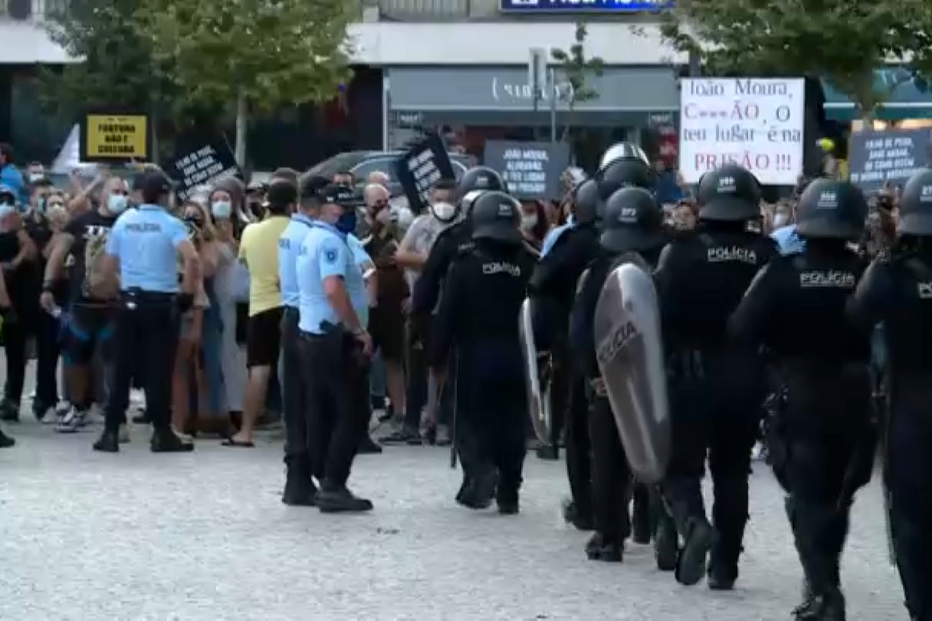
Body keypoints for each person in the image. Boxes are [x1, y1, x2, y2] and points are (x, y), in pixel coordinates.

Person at [730, 179, 872, 621]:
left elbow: (740, 329)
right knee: (838, 496)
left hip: (801, 395)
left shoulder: (781, 273)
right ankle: (823, 582)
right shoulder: (869, 271)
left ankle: (825, 590)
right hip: (858, 396)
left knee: (806, 497)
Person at [653, 164, 777, 589]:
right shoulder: (766, 253)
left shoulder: (680, 252)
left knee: (679, 466)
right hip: (744, 374)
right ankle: (725, 567)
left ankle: (692, 523)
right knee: (732, 471)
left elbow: (657, 317)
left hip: (690, 371)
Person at [846, 169, 932, 621]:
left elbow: (855, 318)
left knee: (912, 519)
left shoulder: (891, 273)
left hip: (910, 410)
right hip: (908, 403)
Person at [570, 186, 668, 561]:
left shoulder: (596, 272)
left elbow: (581, 331)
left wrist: (593, 374)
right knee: (657, 451)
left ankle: (610, 537)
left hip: (609, 381)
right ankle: (656, 526)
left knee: (608, 460)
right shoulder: (665, 265)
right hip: (656, 377)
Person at [430, 189, 535, 512]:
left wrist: (436, 354)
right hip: (518, 356)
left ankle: (482, 469)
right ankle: (509, 490)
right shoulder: (530, 262)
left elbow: (447, 314)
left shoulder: (465, 265)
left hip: (474, 356)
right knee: (513, 423)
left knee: (471, 420)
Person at [93, 169, 200, 453]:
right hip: (161, 303)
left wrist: (123, 289)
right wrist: (187, 294)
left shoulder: (124, 222)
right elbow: (192, 258)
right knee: (159, 369)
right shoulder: (171, 224)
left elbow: (107, 268)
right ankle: (162, 432)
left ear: (139, 194)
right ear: (164, 195)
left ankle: (111, 432)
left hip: (130, 301)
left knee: (122, 367)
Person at [297, 183, 373, 513]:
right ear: (328, 208)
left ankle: (323, 474)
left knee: (322, 409)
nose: (350, 214)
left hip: (314, 334)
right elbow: (332, 287)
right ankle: (333, 482)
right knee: (353, 412)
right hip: (334, 337)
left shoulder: (311, 237)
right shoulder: (329, 241)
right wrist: (356, 329)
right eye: (345, 208)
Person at [41, 176, 128, 432]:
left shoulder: (131, 222)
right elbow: (58, 254)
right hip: (81, 305)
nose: (121, 196)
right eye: (116, 191)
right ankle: (78, 408)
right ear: (101, 194)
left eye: (124, 191)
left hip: (117, 305)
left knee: (116, 362)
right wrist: (47, 286)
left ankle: (116, 414)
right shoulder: (81, 222)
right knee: (75, 358)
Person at [387, 178, 459, 445]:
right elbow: (401, 256)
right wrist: (435, 262)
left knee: (445, 368)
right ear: (430, 199)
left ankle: (441, 423)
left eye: (449, 200)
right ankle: (411, 424)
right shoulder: (421, 224)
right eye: (439, 199)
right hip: (422, 306)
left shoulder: (461, 228)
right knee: (415, 367)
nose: (444, 206)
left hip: (449, 308)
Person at [223, 180, 293, 448]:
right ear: (292, 205)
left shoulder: (251, 231)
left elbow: (243, 261)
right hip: (291, 306)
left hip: (261, 306)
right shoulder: (299, 230)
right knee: (294, 371)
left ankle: (246, 432)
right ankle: (296, 430)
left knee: (258, 370)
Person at [277, 174, 329, 506]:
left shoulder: (289, 231)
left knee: (296, 402)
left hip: (290, 314)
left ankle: (297, 476)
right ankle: (315, 472)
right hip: (308, 320)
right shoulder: (312, 236)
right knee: (315, 401)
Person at [362, 183, 408, 434]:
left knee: (394, 359)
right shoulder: (359, 226)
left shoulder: (399, 226)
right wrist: (378, 229)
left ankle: (400, 411)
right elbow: (364, 255)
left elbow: (402, 256)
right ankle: (364, 412)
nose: (383, 207)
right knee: (363, 359)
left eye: (386, 201)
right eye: (377, 202)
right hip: (367, 303)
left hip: (392, 304)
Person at [0, 184, 37, 423]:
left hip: (16, 301)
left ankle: (11, 400)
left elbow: (31, 252)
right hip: (5, 300)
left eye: (7, 200)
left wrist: (19, 230)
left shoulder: (20, 230)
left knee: (16, 355)